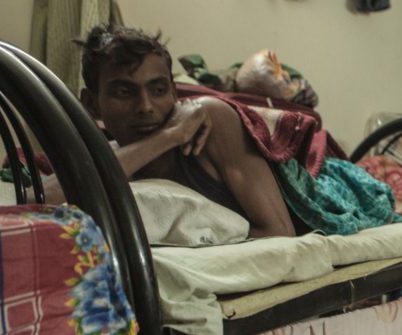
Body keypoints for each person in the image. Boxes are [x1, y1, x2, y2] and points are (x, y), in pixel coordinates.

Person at [43, 24, 295, 238]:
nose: (145, 107)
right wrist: (169, 136)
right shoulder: (114, 157)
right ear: (92, 104)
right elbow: (40, 200)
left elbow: (281, 232)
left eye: (158, 90)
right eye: (124, 92)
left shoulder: (211, 120)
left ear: (174, 93)